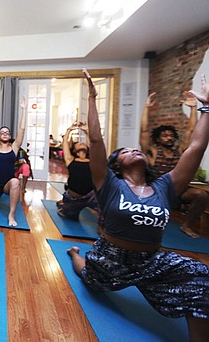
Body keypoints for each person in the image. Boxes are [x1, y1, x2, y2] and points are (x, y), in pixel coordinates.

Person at [67, 69, 209, 342]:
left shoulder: (166, 187)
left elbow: (196, 148)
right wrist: (93, 99)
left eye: (136, 149)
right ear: (117, 165)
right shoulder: (109, 184)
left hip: (151, 260)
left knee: (202, 276)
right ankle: (75, 253)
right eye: (125, 151)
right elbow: (96, 140)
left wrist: (206, 107)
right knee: (88, 277)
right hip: (111, 258)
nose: (134, 149)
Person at [140, 92, 209, 238]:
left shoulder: (179, 151)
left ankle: (187, 225)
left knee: (202, 196)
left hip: (178, 191)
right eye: (165, 136)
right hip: (156, 192)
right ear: (158, 139)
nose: (169, 138)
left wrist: (193, 108)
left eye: (171, 135)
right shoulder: (153, 152)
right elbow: (144, 131)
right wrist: (146, 108)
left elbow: (191, 131)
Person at [0, 96, 27, 226]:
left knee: (16, 182)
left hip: (7, 185)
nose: (5, 134)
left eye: (7, 132)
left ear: (10, 136)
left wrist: (24, 109)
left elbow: (21, 130)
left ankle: (11, 215)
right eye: (2, 132)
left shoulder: (14, 148)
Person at [56, 122, 98, 219]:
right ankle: (63, 203)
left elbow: (94, 144)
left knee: (105, 216)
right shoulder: (70, 159)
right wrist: (69, 130)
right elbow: (65, 142)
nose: (82, 143)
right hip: (74, 198)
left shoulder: (93, 160)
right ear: (74, 150)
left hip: (92, 196)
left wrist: (86, 131)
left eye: (83, 143)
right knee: (67, 215)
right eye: (78, 143)